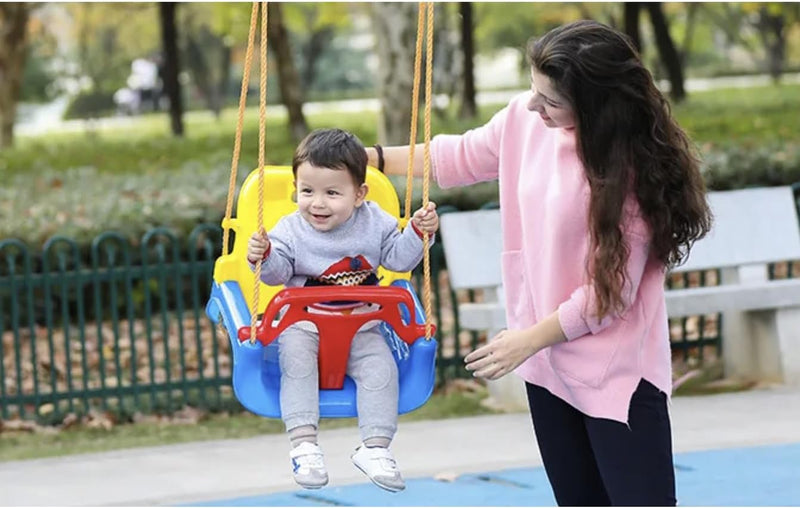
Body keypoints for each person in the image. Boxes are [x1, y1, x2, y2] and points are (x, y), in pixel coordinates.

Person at [366, 20, 712, 506]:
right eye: (534, 90)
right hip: (546, 363)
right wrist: (369, 158)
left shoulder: (632, 174)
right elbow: (457, 156)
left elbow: (607, 298)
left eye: (550, 100)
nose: (534, 106)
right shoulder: (526, 122)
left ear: (594, 106)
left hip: (617, 375)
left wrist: (524, 341)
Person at [246, 128, 439, 492]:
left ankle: (375, 447)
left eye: (332, 193)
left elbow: (398, 259)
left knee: (381, 372)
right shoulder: (289, 229)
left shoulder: (376, 221)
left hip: (362, 324)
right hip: (303, 324)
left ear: (359, 194)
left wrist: (416, 232)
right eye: (307, 191)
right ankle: (304, 443)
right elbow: (276, 276)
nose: (317, 203)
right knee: (297, 366)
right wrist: (264, 255)